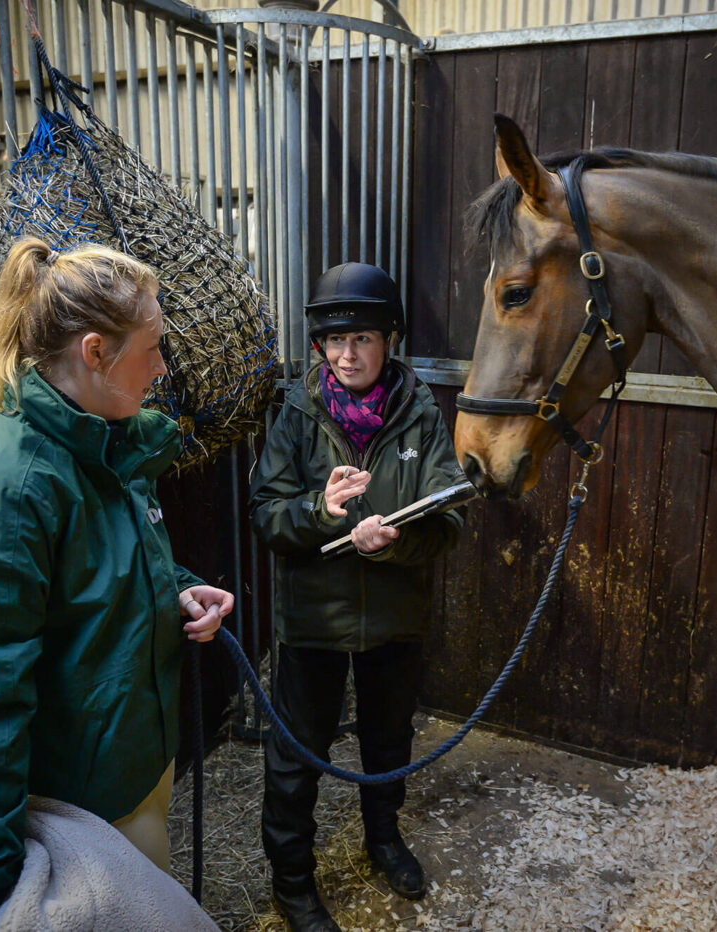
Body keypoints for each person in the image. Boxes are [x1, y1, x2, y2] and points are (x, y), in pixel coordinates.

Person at [0, 237, 234, 930]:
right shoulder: (1, 490)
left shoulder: (108, 444)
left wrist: (176, 587)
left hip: (137, 764)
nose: (161, 368)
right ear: (94, 352)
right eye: (153, 347)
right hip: (80, 807)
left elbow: (101, 575)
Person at [250, 262, 467, 932]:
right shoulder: (295, 411)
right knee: (296, 758)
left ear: (390, 341)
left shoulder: (422, 413)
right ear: (319, 344)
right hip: (313, 620)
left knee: (388, 741)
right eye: (336, 341)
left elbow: (452, 517)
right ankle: (292, 881)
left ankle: (383, 840)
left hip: (395, 619)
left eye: (364, 339)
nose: (348, 354)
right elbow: (266, 514)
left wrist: (392, 541)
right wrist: (321, 511)